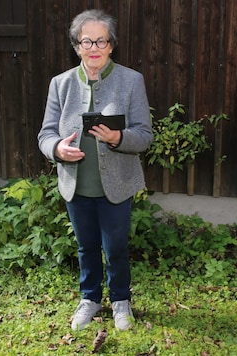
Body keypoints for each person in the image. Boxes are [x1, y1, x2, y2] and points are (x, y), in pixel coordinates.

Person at [37, 9, 153, 331]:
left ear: (111, 45)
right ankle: (89, 299)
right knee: (86, 246)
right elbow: (45, 134)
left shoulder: (131, 81)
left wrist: (118, 137)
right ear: (76, 46)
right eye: (86, 41)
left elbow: (144, 136)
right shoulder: (60, 85)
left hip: (116, 186)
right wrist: (57, 149)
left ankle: (120, 300)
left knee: (115, 247)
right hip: (76, 186)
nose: (94, 47)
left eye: (101, 40)